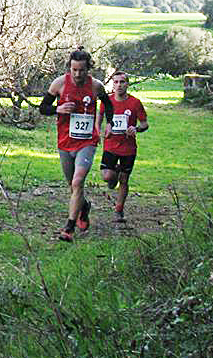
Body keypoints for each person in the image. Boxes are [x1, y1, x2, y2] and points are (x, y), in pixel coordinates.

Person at [39, 49, 114, 242]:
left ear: (88, 69)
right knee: (72, 186)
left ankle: (69, 228)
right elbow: (42, 108)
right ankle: (84, 206)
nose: (78, 74)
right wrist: (59, 109)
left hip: (87, 141)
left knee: (77, 181)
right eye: (74, 70)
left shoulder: (95, 86)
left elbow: (108, 104)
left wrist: (110, 123)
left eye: (82, 70)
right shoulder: (59, 84)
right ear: (69, 68)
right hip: (65, 142)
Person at [97, 71, 148, 222]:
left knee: (124, 180)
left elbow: (145, 123)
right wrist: (98, 130)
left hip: (128, 148)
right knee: (107, 176)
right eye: (116, 82)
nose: (119, 85)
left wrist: (136, 129)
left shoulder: (135, 103)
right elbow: (99, 116)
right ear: (112, 84)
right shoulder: (107, 101)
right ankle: (114, 174)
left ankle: (119, 210)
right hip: (111, 145)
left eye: (122, 82)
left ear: (127, 84)